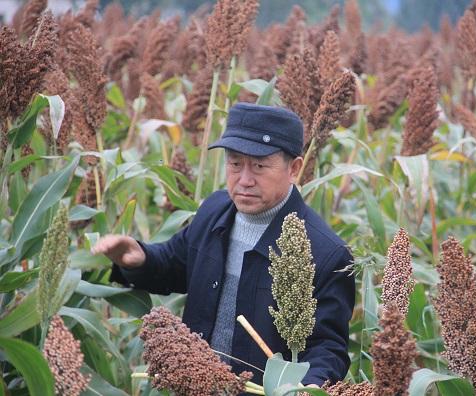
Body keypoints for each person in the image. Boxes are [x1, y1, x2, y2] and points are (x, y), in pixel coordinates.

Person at [92, 102, 355, 387]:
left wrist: (309, 387)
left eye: (259, 166)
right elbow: (176, 263)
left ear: (294, 168)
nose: (244, 180)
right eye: (235, 164)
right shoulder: (215, 210)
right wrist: (139, 258)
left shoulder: (326, 254)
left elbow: (328, 348)